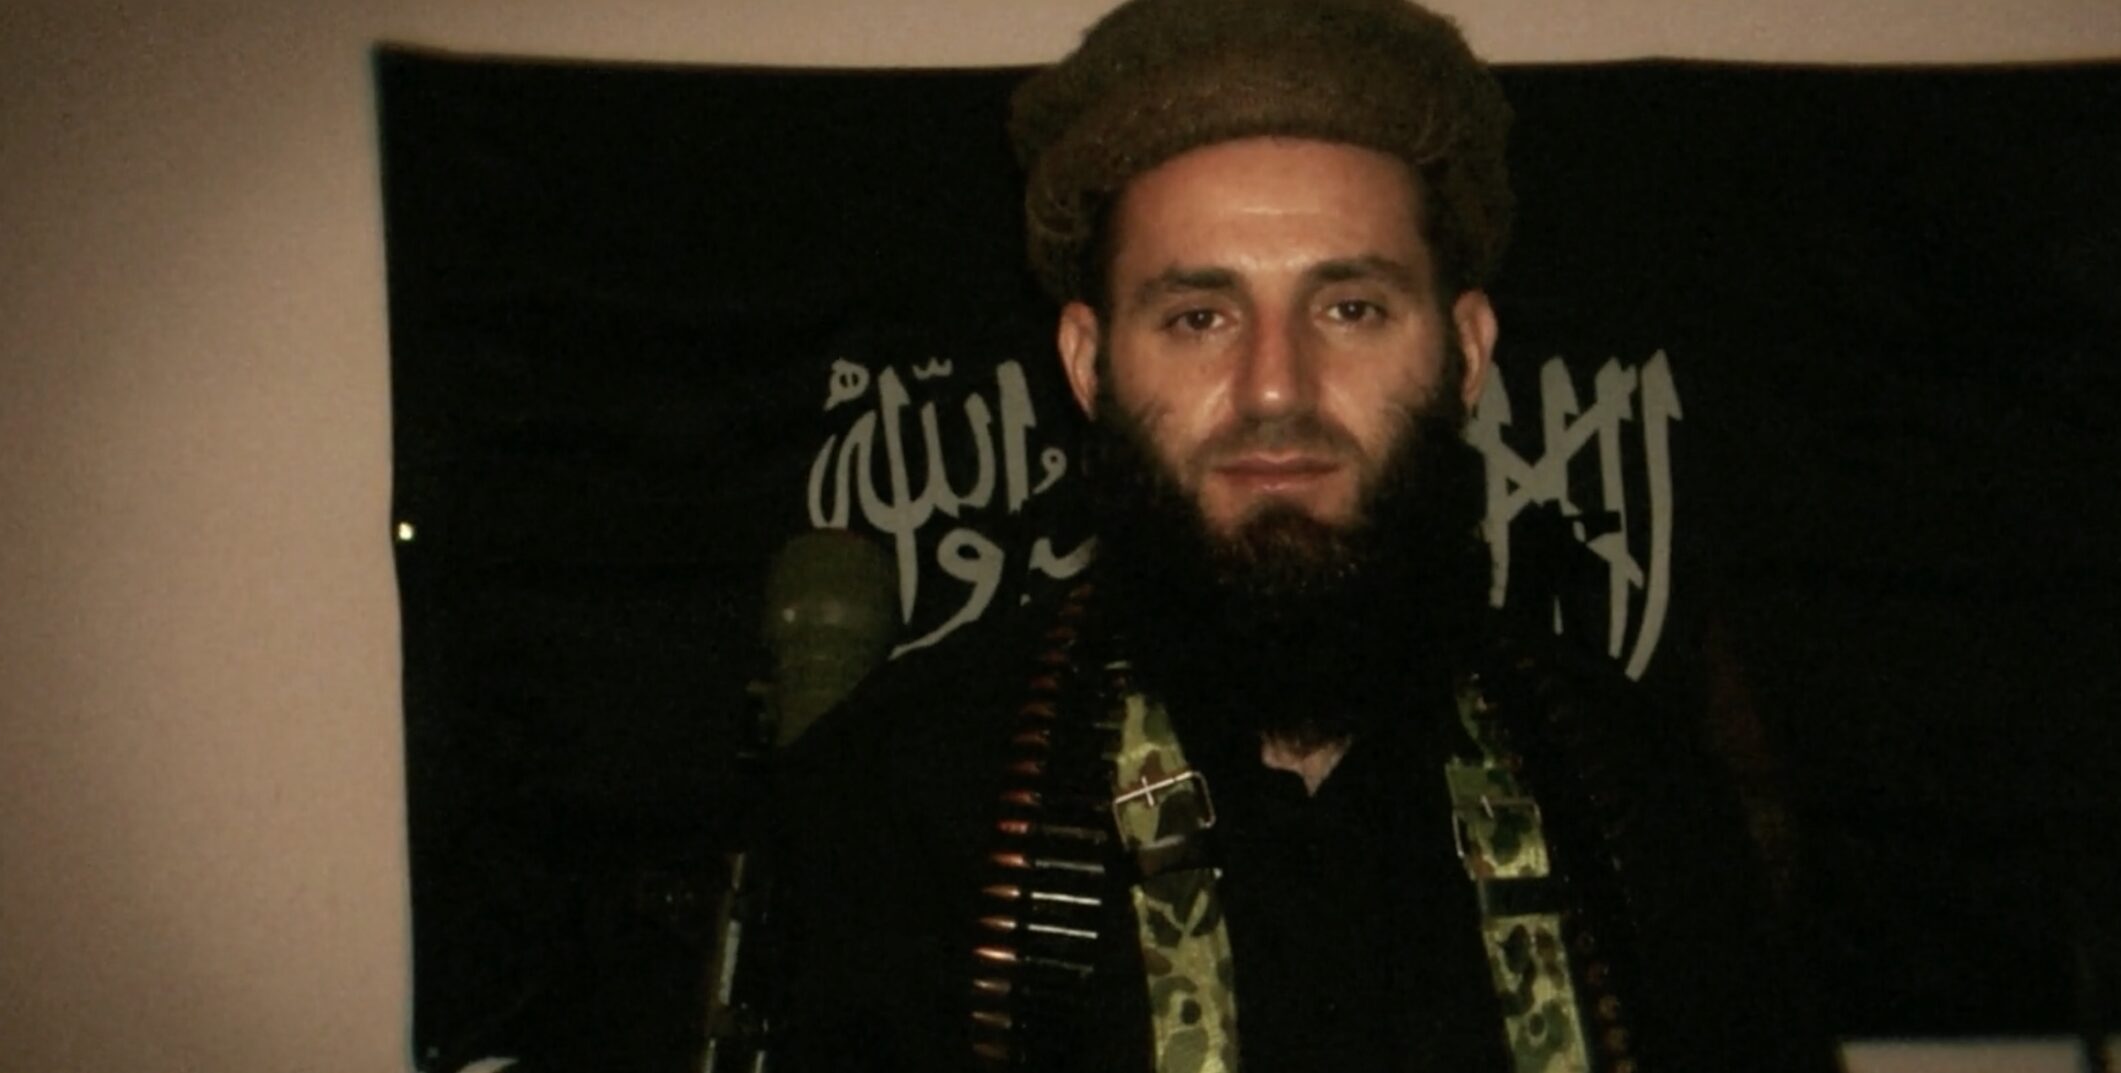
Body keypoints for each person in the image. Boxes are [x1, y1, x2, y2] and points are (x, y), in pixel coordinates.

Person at [760, 1, 1842, 1070]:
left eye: (1350, 309)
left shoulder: (1643, 804)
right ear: (1090, 366)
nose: (1275, 388)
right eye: (1199, 317)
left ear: (1464, 353)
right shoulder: (894, 811)